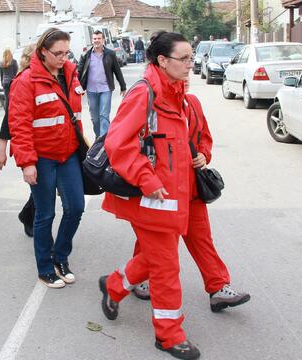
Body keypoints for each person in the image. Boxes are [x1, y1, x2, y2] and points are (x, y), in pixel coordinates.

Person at [98, 31, 200, 359]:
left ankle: (114, 286)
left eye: (191, 57)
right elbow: (117, 143)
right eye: (183, 58)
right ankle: (169, 335)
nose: (190, 64)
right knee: (166, 267)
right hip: (150, 199)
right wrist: (146, 178)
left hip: (171, 199)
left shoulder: (176, 95)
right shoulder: (145, 94)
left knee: (154, 259)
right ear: (162, 61)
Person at [131, 67, 250, 316]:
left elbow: (205, 136)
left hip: (192, 188)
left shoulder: (193, 103)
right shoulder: (151, 103)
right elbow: (136, 143)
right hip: (163, 189)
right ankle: (133, 279)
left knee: (202, 239)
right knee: (157, 242)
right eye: (179, 77)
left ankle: (218, 287)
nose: (184, 82)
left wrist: (203, 155)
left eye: (187, 78)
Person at [8, 28, 86, 289]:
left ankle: (60, 257)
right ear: (43, 51)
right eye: (57, 53)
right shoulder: (26, 81)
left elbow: (73, 115)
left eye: (67, 52)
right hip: (41, 157)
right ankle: (45, 268)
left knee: (75, 208)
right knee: (45, 214)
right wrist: (27, 162)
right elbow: (19, 125)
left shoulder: (70, 74)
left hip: (68, 154)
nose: (63, 57)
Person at [0, 44, 35, 238]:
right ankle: (29, 217)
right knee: (40, 189)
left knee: (45, 189)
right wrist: (1, 150)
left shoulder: (51, 78)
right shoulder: (19, 82)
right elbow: (9, 118)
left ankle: (27, 215)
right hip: (27, 144)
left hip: (50, 143)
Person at [77, 30, 127, 138]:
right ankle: (98, 137)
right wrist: (77, 87)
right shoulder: (86, 55)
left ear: (103, 40)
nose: (97, 41)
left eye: (99, 38)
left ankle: (104, 141)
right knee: (95, 118)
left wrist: (123, 86)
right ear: (92, 40)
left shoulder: (110, 54)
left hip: (105, 89)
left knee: (104, 115)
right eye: (95, 39)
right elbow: (79, 72)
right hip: (91, 90)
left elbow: (117, 70)